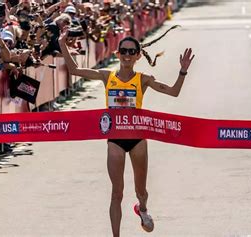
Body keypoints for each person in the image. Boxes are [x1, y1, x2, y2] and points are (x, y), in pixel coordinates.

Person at [58, 26, 194, 237]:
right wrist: (62, 45)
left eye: (132, 52)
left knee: (141, 190)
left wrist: (183, 71)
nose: (128, 55)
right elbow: (75, 71)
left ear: (138, 56)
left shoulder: (143, 79)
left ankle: (142, 208)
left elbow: (174, 92)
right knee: (116, 193)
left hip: (138, 139)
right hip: (115, 140)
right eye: (124, 51)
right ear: (118, 54)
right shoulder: (106, 76)